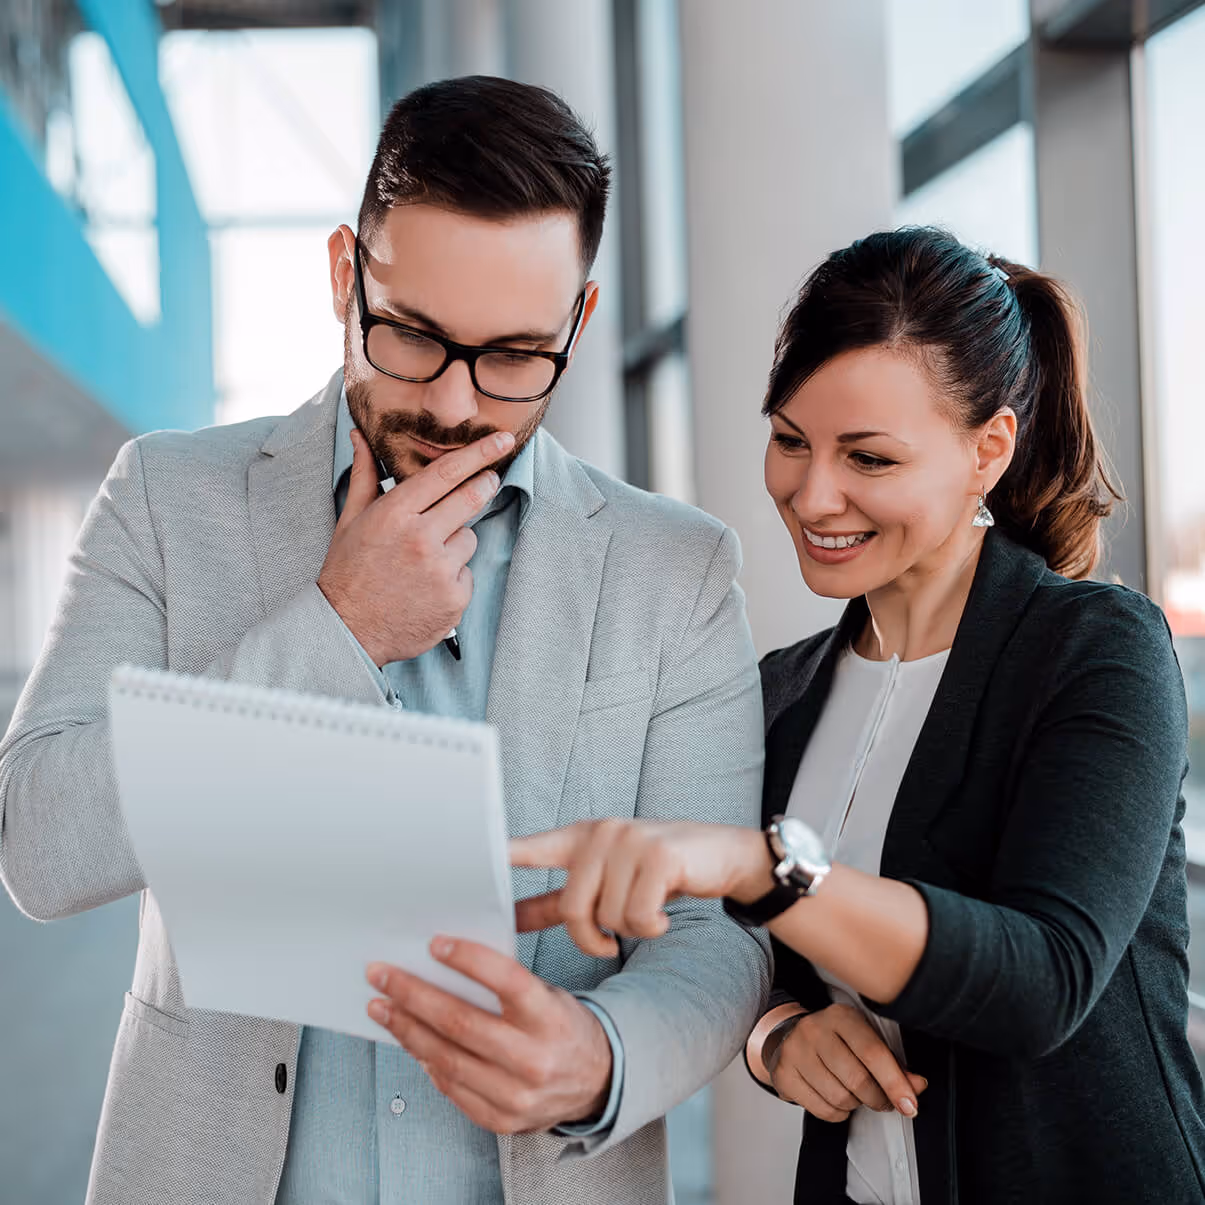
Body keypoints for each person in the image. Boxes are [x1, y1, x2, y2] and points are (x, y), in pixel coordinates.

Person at [0, 76, 770, 1205]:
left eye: (514, 356)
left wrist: (601, 1054)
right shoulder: (170, 498)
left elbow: (719, 932)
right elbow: (42, 846)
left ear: (581, 323)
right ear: (341, 276)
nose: (457, 406)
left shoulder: (674, 567)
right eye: (412, 336)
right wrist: (335, 626)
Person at [511, 227, 1205, 1204]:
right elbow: (763, 962)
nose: (810, 492)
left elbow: (1042, 976)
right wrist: (774, 1035)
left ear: (986, 450)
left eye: (867, 457)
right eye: (789, 438)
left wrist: (765, 864)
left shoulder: (1095, 649)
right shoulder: (780, 692)